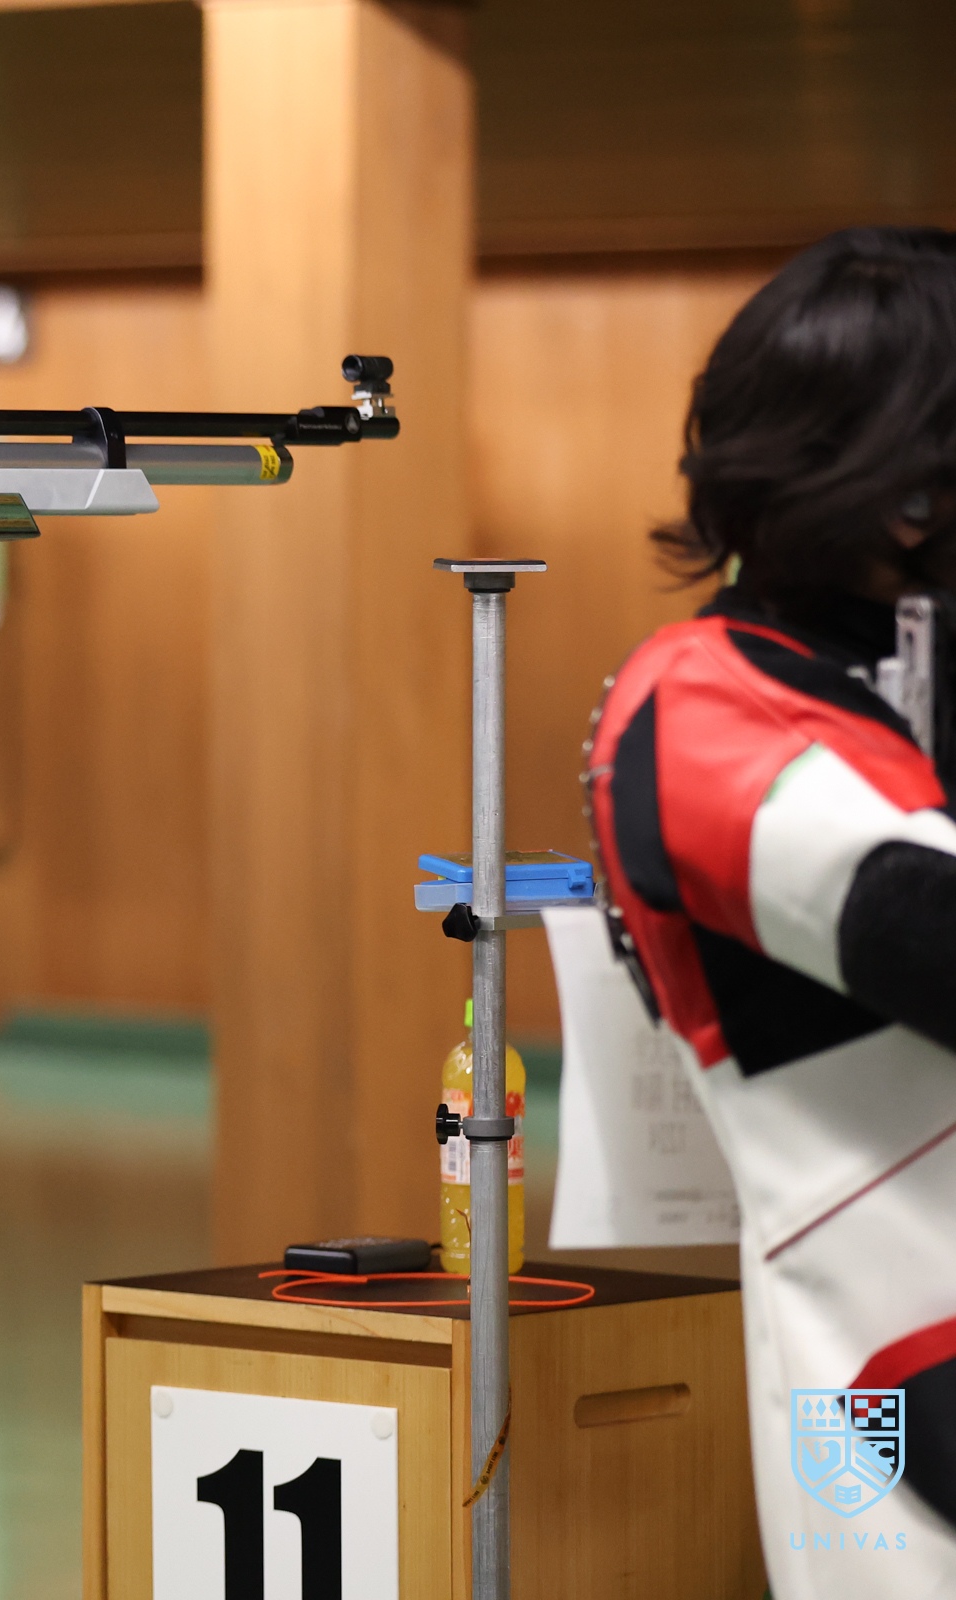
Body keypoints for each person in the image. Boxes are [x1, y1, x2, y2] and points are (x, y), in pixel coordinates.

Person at [586, 226, 956, 1595]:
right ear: (908, 498)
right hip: (889, 1379)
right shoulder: (698, 700)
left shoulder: (898, 671)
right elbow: (928, 936)